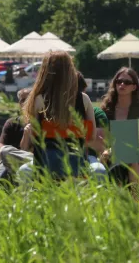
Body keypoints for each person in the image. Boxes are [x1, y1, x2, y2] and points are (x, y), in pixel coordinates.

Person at [18, 52, 104, 181]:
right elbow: (91, 137)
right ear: (70, 71)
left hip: (45, 170)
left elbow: (32, 140)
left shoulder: (39, 100)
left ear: (45, 72)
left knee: (23, 171)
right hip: (77, 170)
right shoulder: (84, 100)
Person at [96, 67, 139, 184]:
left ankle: (135, 195)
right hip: (108, 154)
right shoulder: (105, 110)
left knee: (132, 159)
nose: (122, 84)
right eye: (119, 81)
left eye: (127, 82)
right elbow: (99, 138)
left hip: (137, 155)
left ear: (134, 87)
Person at [0, 88, 33, 182]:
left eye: (29, 99)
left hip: (29, 164)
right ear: (19, 104)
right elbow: (0, 148)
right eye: (23, 100)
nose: (26, 103)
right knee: (5, 152)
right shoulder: (11, 123)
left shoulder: (42, 124)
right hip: (12, 160)